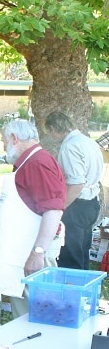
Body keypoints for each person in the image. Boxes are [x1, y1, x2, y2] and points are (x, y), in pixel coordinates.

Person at [0, 120, 66, 318]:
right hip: (22, 249)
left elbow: (53, 211)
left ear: (14, 138)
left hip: (32, 251)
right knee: (27, 314)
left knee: (39, 316)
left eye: (3, 141)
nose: (3, 146)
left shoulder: (37, 163)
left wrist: (38, 252)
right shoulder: (29, 161)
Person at [44, 111, 102, 270]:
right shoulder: (88, 141)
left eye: (50, 132)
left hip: (77, 204)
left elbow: (76, 184)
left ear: (55, 128)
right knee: (82, 253)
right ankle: (83, 291)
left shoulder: (70, 146)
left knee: (71, 257)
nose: (52, 136)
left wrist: (60, 209)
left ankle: (72, 292)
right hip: (91, 203)